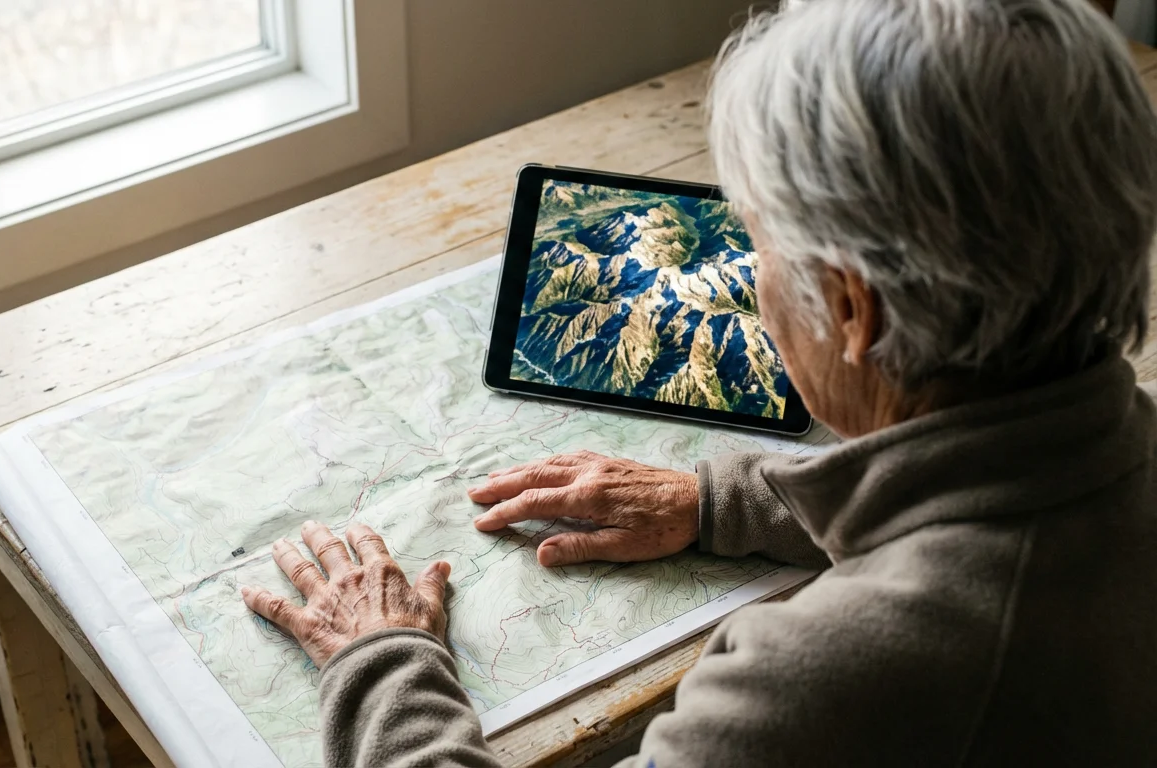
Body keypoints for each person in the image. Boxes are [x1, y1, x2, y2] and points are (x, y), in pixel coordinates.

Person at [239, 0, 1157, 764]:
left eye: (758, 242)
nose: (754, 275)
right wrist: (720, 502)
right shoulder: (1125, 442)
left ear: (851, 310)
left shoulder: (813, 683)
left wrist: (383, 663)